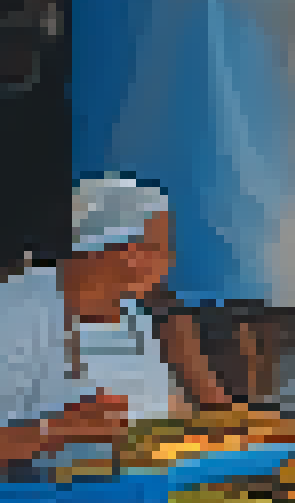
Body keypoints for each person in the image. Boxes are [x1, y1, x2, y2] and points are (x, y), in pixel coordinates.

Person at [0, 178, 197, 472]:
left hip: (138, 494)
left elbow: (168, 412)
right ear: (104, 248)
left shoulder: (132, 313)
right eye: (155, 248)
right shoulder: (17, 308)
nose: (168, 263)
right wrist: (64, 427)